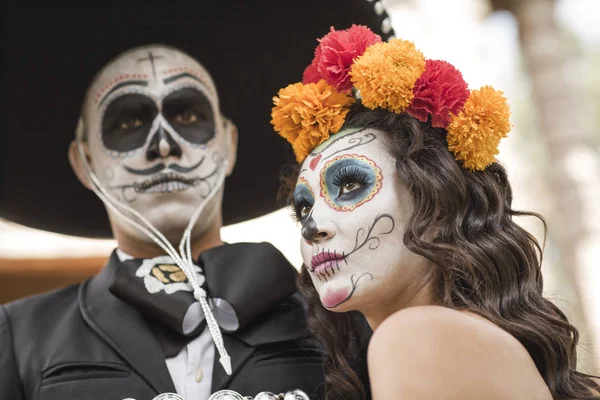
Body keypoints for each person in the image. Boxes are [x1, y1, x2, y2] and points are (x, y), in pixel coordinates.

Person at [0, 3, 394, 400]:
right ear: (83, 161)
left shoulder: (339, 315)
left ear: (229, 144)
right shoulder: (20, 336)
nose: (164, 145)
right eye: (128, 122)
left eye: (187, 114)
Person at [271, 25, 600, 400]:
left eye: (349, 185)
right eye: (303, 208)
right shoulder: (463, 344)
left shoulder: (415, 336)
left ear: (437, 204)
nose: (311, 228)